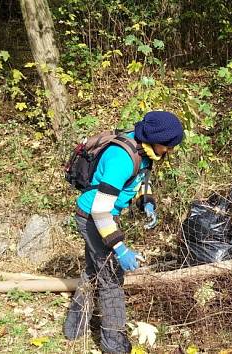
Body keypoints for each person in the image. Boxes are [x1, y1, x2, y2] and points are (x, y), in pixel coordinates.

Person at [64, 111, 184, 353]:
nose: (170, 151)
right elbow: (100, 210)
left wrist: (146, 201)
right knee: (111, 280)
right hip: (92, 217)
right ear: (155, 139)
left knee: (93, 271)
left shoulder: (143, 149)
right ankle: (114, 346)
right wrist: (120, 248)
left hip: (102, 214)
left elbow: (140, 179)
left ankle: (73, 328)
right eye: (169, 146)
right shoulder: (122, 158)